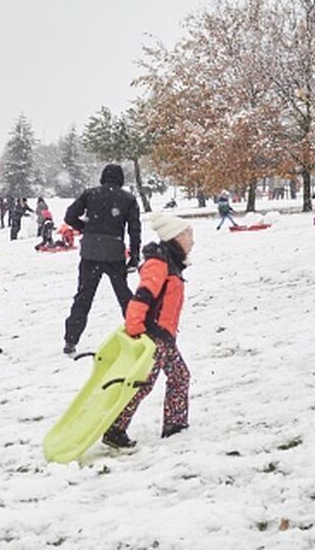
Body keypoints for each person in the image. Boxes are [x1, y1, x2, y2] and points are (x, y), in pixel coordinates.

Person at [102, 213, 193, 449]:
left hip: (165, 336)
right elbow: (142, 297)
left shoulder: (171, 262)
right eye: (188, 234)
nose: (192, 241)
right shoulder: (159, 263)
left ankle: (175, 424)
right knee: (142, 384)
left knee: (179, 376)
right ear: (176, 236)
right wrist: (135, 328)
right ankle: (114, 428)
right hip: (153, 336)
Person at [62, 164, 142, 355]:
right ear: (121, 179)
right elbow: (134, 230)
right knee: (124, 295)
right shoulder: (128, 199)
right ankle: (137, 329)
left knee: (83, 297)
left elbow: (69, 216)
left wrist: (85, 228)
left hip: (90, 251)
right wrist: (135, 256)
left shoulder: (90, 194)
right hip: (114, 252)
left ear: (103, 177)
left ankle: (71, 339)